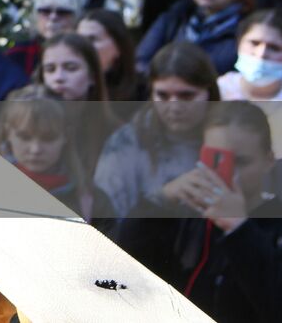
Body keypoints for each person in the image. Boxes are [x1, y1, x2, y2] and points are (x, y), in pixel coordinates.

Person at [111, 101, 282, 323]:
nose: (229, 174)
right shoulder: (186, 213)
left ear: (268, 160)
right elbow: (125, 267)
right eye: (217, 160)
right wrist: (159, 203)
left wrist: (239, 228)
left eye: (240, 162)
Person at [93, 42, 219, 220]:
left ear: (209, 93)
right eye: (163, 95)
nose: (174, 107)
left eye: (187, 96)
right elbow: (108, 220)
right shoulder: (125, 143)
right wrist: (162, 199)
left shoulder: (231, 139)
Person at [0, 86, 110, 222]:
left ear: (65, 136)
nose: (35, 149)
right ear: (8, 133)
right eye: (25, 137)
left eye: (48, 138)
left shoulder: (91, 200)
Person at [77, 9, 141, 102]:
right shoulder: (66, 85)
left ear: (118, 46)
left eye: (92, 39)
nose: (83, 45)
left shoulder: (142, 91)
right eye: (79, 39)